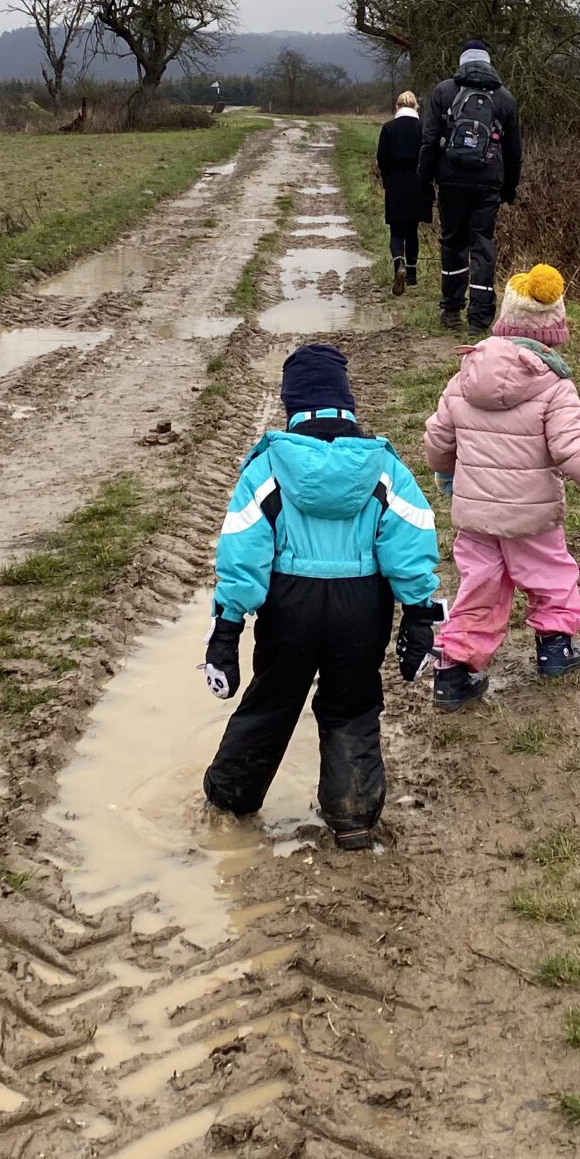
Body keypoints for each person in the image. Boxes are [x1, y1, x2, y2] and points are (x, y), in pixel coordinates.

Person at [201, 343, 441, 849]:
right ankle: (354, 819)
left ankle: (228, 805)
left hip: (289, 605)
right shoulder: (383, 468)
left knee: (271, 701)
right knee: (351, 705)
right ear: (346, 403)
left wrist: (226, 630)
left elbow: (242, 555)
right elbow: (411, 543)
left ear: (290, 405)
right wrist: (419, 616)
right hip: (361, 606)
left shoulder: (267, 468)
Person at [422, 265, 580, 706]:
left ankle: (454, 671)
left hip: (476, 517)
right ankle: (555, 649)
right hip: (532, 515)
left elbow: (438, 437)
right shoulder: (555, 386)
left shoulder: (464, 377)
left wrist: (446, 473)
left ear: (504, 322)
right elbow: (572, 451)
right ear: (554, 333)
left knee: (479, 585)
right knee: (550, 575)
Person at [417, 38, 522, 334]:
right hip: (488, 183)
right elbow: (514, 151)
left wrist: (424, 181)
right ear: (488, 62)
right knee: (482, 245)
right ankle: (479, 318)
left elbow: (429, 140)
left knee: (452, 241)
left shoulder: (444, 91)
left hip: (450, 180)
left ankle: (451, 309)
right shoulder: (505, 98)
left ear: (462, 61)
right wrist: (509, 189)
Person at [375, 88, 431, 295]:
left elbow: (382, 158)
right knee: (412, 230)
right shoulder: (424, 128)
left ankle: (399, 263)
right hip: (418, 184)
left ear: (396, 106)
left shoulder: (388, 128)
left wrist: (387, 180)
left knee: (396, 231)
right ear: (416, 107)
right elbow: (430, 156)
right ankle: (412, 275)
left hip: (396, 184)